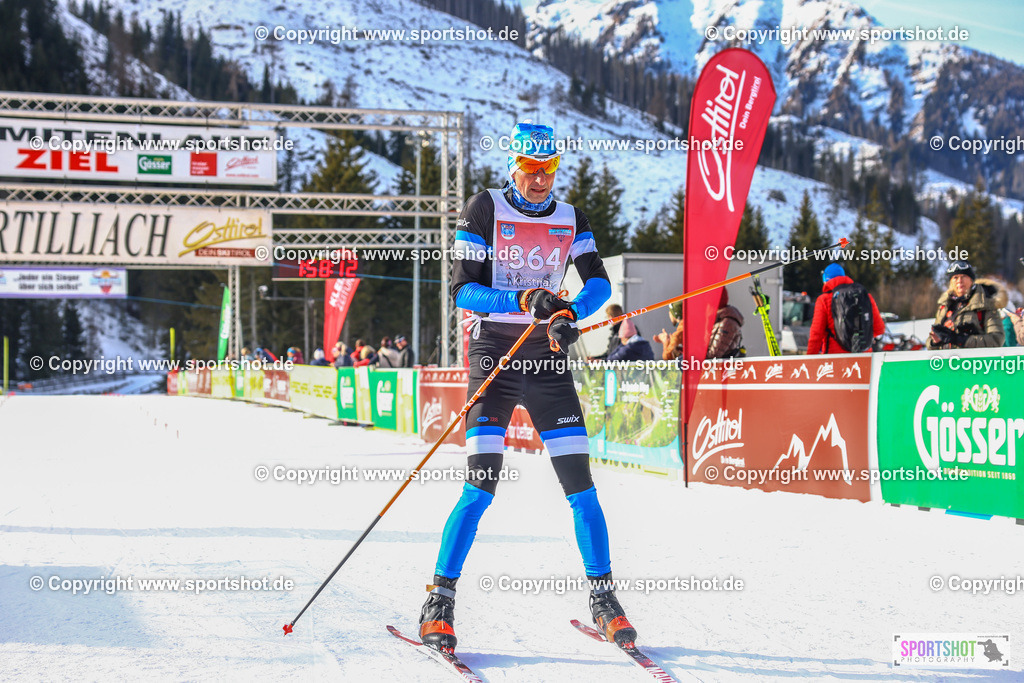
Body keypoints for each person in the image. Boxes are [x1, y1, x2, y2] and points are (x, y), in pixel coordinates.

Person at [418, 121, 632, 654]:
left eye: (549, 169)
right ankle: (439, 600)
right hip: (493, 353)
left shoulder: (571, 218)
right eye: (531, 170)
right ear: (513, 166)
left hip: (546, 358)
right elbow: (463, 290)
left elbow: (598, 281)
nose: (540, 180)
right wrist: (522, 300)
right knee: (480, 485)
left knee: (581, 486)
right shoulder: (484, 208)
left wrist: (568, 314)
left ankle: (604, 598)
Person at [807, 263, 885, 354]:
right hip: (864, 357)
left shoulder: (824, 299)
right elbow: (879, 329)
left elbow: (816, 334)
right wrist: (860, 338)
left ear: (825, 279)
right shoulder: (865, 296)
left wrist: (810, 358)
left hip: (835, 358)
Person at [927, 261, 1004, 349]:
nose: (959, 281)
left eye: (964, 276)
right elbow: (929, 343)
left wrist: (961, 340)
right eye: (955, 277)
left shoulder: (985, 304)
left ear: (971, 280)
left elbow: (996, 340)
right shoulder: (945, 306)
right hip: (947, 357)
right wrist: (935, 342)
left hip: (974, 358)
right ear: (951, 282)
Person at [655, 291, 744, 360]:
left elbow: (713, 355)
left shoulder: (726, 322)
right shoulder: (715, 320)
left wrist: (666, 342)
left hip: (720, 373)